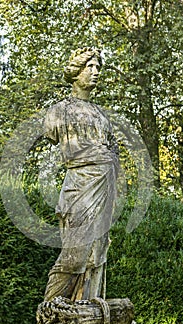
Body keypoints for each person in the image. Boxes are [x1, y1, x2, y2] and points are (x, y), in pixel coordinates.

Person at [43, 47, 118, 302]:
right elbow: (53, 135)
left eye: (98, 68)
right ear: (76, 72)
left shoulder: (101, 115)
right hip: (78, 187)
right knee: (74, 254)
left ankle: (87, 312)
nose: (96, 72)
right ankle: (51, 312)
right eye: (90, 67)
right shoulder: (59, 111)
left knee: (97, 252)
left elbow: (113, 150)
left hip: (104, 185)